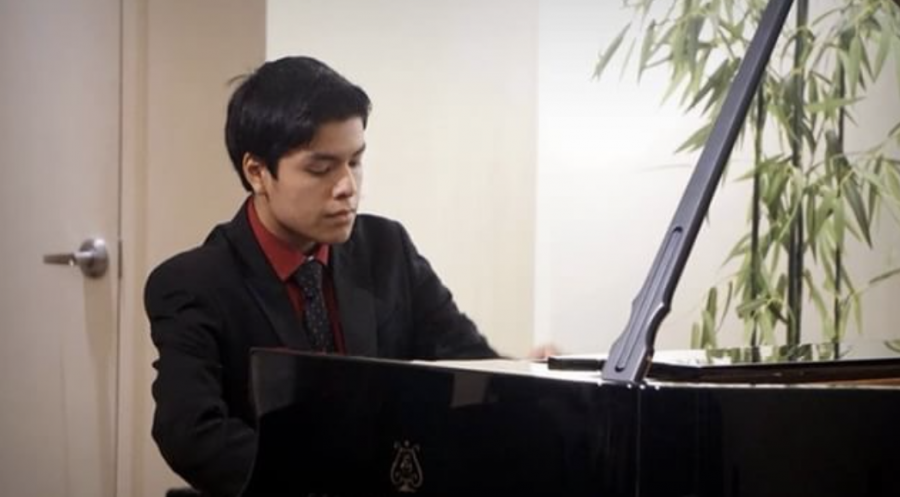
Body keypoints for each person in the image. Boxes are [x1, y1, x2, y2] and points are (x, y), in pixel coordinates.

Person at [144, 56, 498, 497]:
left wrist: (525, 382)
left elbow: (472, 365)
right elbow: (191, 432)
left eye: (356, 162)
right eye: (321, 168)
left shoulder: (388, 250)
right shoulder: (195, 283)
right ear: (257, 172)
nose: (348, 185)